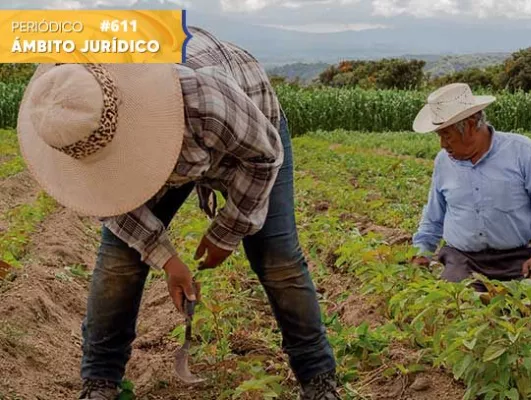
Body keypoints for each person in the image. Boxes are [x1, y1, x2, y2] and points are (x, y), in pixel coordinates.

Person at [15, 26, 338, 400]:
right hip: (179, 142)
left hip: (247, 132)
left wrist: (228, 231)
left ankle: (318, 378)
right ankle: (100, 382)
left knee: (276, 257)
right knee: (119, 260)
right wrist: (169, 261)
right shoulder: (71, 123)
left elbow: (263, 158)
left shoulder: (201, 98)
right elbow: (111, 206)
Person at [408, 83, 531, 290]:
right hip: (462, 260)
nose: (443, 144)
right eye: (439, 136)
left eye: (446, 135)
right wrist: (421, 253)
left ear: (472, 124)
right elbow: (432, 218)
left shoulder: (522, 152)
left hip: (516, 258)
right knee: (455, 306)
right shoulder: (443, 162)